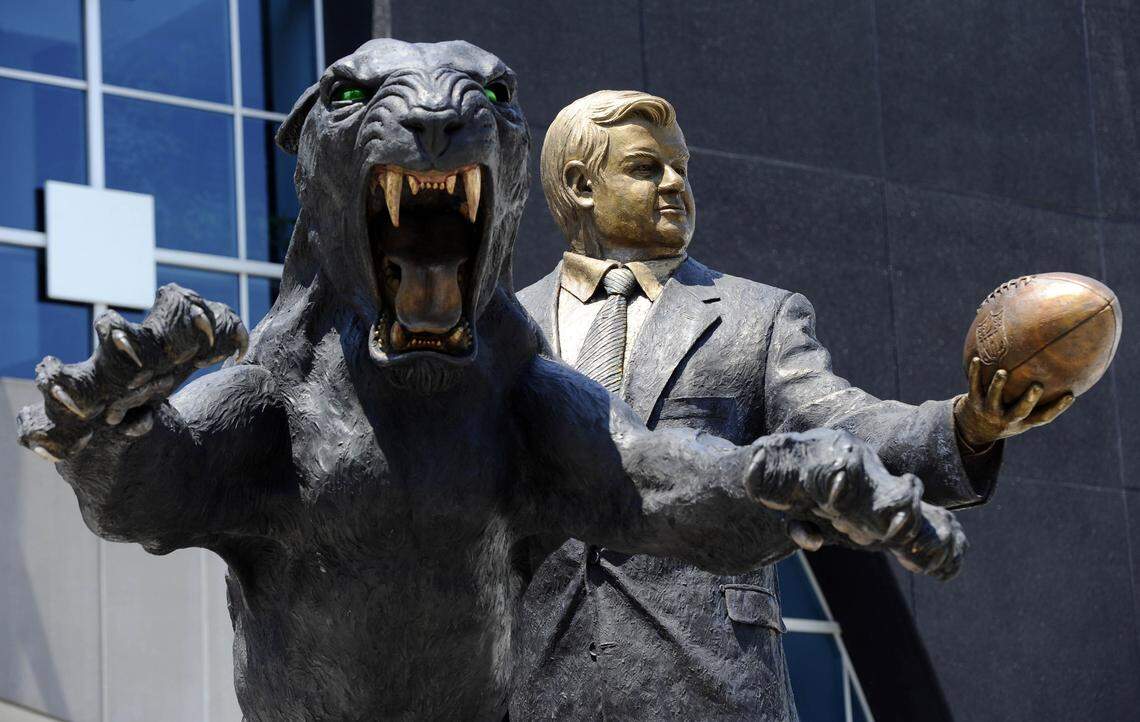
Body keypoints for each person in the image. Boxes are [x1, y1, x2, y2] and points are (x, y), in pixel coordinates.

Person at [510, 90, 1073, 720]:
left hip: (711, 676)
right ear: (581, 185)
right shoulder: (507, 329)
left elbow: (843, 423)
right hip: (545, 681)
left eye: (682, 169)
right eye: (647, 169)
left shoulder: (758, 314)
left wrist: (966, 426)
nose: (676, 185)